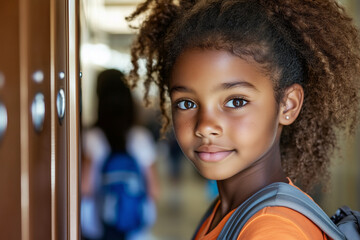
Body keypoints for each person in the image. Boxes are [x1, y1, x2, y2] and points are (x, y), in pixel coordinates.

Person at [125, 0, 360, 239]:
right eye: (187, 103)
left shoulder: (272, 231)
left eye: (236, 101)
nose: (205, 126)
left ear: (287, 105)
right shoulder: (226, 211)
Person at [81, 69, 159, 240]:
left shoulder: (91, 137)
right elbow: (154, 190)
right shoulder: (141, 137)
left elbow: (85, 187)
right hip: (135, 229)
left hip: (97, 228)